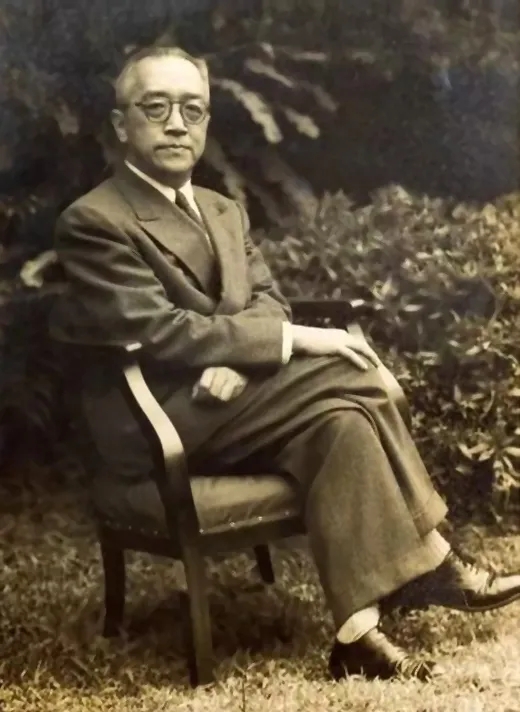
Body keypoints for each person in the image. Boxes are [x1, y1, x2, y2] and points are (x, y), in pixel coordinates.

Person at [49, 45, 520, 682]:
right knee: (348, 368)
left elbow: (269, 299)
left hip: (238, 402)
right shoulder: (94, 221)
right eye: (155, 108)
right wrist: (291, 342)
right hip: (158, 416)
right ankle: (434, 558)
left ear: (207, 122)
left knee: (341, 420)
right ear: (120, 123)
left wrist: (245, 363)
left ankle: (356, 636)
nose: (177, 125)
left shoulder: (222, 208)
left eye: (193, 109)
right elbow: (157, 330)